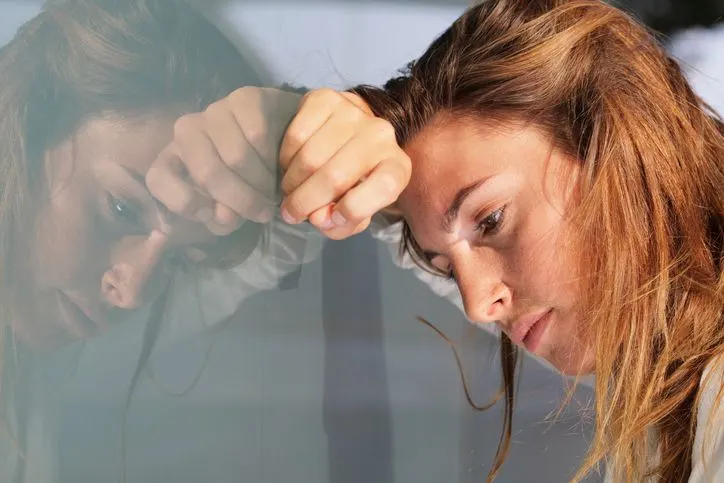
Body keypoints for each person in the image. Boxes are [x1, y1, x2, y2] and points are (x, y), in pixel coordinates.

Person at [156, 0, 723, 481]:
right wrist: (311, 152)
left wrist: (310, 149)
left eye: (492, 221)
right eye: (445, 268)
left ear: (616, 147)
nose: (479, 305)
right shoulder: (677, 376)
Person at [0, 0, 328, 481]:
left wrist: (286, 141)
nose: (131, 292)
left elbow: (289, 236)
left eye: (178, 260)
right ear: (24, 130)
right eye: (121, 209)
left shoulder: (41, 348)